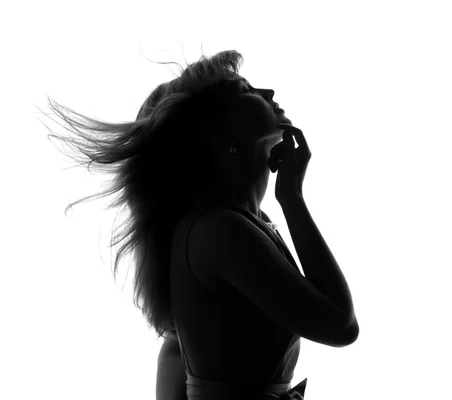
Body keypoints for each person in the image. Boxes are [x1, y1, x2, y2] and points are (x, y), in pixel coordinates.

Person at [42, 50, 359, 400]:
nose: (267, 92)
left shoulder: (240, 224)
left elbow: (176, 348)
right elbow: (341, 327)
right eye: (246, 90)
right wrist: (293, 200)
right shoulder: (220, 231)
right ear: (221, 135)